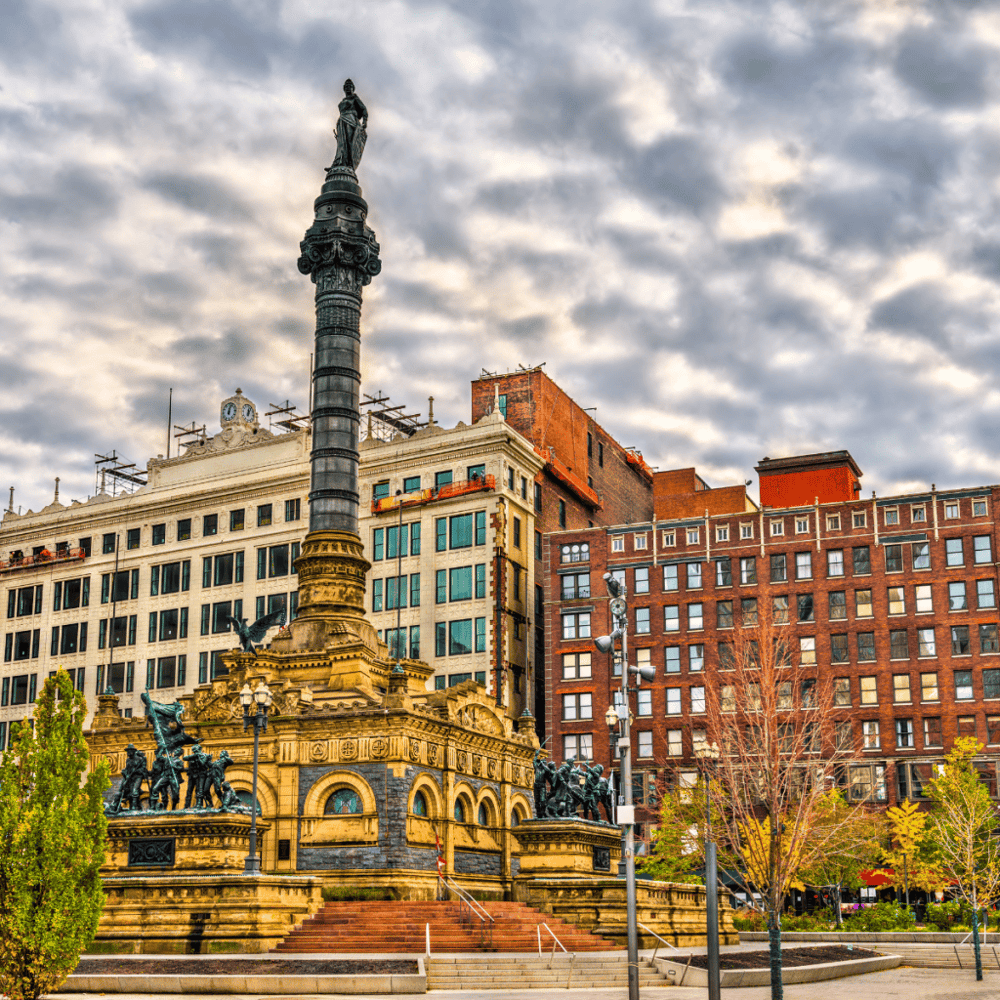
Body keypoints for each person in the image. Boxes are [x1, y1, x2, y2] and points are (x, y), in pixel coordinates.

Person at [330, 79, 368, 171]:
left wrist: (364, 121)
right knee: (341, 143)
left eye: (350, 86)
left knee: (350, 142)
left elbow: (363, 109)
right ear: (344, 89)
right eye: (346, 87)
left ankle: (350, 163)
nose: (348, 88)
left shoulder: (355, 98)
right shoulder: (343, 100)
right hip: (342, 121)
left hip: (351, 121)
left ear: (353, 88)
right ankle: (338, 162)